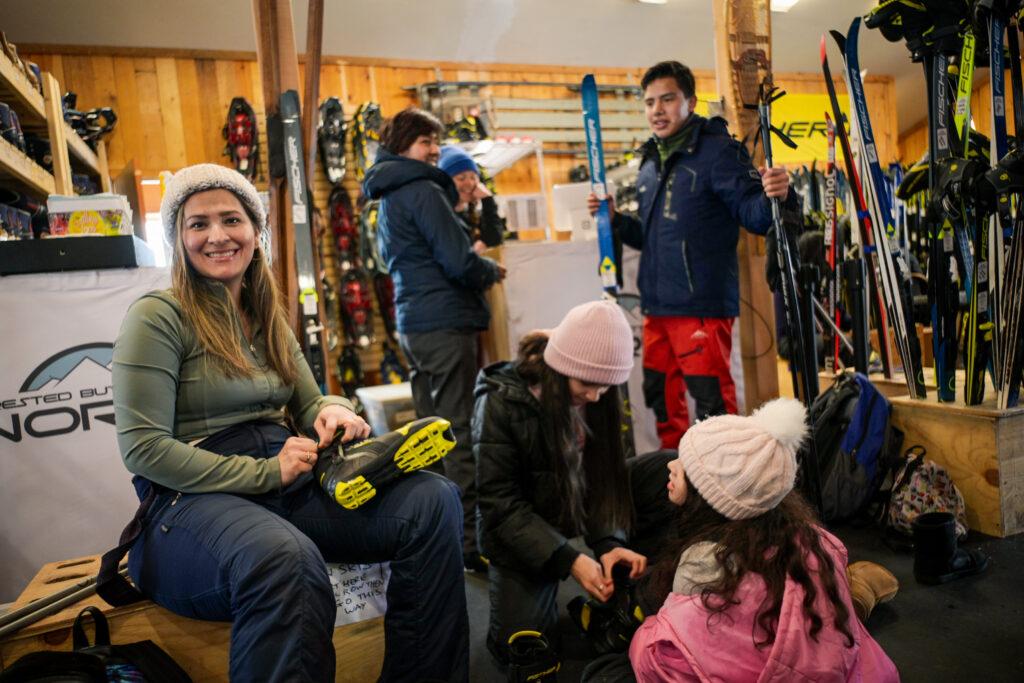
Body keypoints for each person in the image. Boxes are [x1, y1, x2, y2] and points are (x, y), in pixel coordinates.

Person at [111, 163, 469, 682]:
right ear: (176, 238)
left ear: (255, 232)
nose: (217, 236)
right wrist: (266, 474)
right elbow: (144, 451)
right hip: (187, 505)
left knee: (433, 501)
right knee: (286, 558)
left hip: (283, 484)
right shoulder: (158, 316)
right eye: (197, 224)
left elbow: (309, 403)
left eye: (231, 219)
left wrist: (334, 410)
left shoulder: (266, 314)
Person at [588, 60, 799, 449]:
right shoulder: (650, 161)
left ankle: (724, 484)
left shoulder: (717, 152)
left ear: (690, 101)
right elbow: (648, 237)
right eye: (650, 102)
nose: (657, 110)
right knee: (661, 398)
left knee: (711, 404)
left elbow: (753, 213)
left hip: (699, 304)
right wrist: (616, 220)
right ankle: (675, 477)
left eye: (667, 99)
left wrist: (779, 194)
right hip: (657, 307)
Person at [628, 398, 899, 682]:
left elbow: (675, 657)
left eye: (686, 465)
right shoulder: (807, 538)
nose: (672, 464)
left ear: (711, 496)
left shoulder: (702, 563)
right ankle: (856, 596)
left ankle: (859, 598)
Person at [472, 300, 676, 673]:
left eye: (606, 386)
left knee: (669, 468)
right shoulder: (499, 402)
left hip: (575, 504)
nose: (596, 396)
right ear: (559, 371)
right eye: (587, 385)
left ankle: (628, 587)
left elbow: (606, 476)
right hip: (522, 529)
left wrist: (610, 543)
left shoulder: (600, 386)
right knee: (523, 648)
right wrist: (570, 560)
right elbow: (501, 507)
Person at [364, 107, 505, 572]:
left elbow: (388, 263)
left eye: (437, 144)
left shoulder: (388, 195)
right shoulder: (423, 189)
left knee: (429, 430)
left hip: (414, 323)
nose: (434, 151)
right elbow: (459, 261)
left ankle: (438, 530)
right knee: (456, 430)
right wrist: (491, 271)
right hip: (444, 322)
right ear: (405, 143)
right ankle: (468, 543)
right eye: (427, 142)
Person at [438, 144, 506, 253]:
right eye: (461, 178)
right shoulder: (439, 213)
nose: (469, 183)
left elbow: (495, 238)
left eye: (473, 177)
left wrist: (487, 200)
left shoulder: (470, 211)